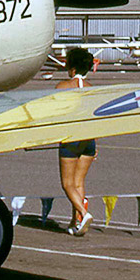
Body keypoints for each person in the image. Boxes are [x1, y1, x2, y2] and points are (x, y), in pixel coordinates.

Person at [56, 47, 96, 235]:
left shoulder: (62, 87)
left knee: (67, 184)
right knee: (79, 182)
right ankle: (75, 222)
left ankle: (83, 213)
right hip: (89, 139)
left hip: (70, 139)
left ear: (71, 68)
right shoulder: (92, 89)